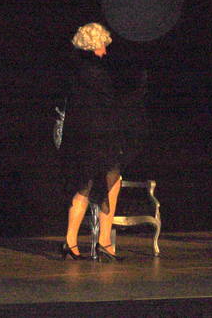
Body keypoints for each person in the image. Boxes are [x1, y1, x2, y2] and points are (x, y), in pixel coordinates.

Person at [59, 22, 147, 261]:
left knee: (85, 186)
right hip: (100, 136)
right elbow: (111, 102)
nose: (105, 51)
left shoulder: (75, 69)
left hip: (83, 137)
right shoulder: (94, 72)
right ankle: (104, 242)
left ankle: (70, 242)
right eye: (102, 46)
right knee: (110, 181)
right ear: (94, 45)